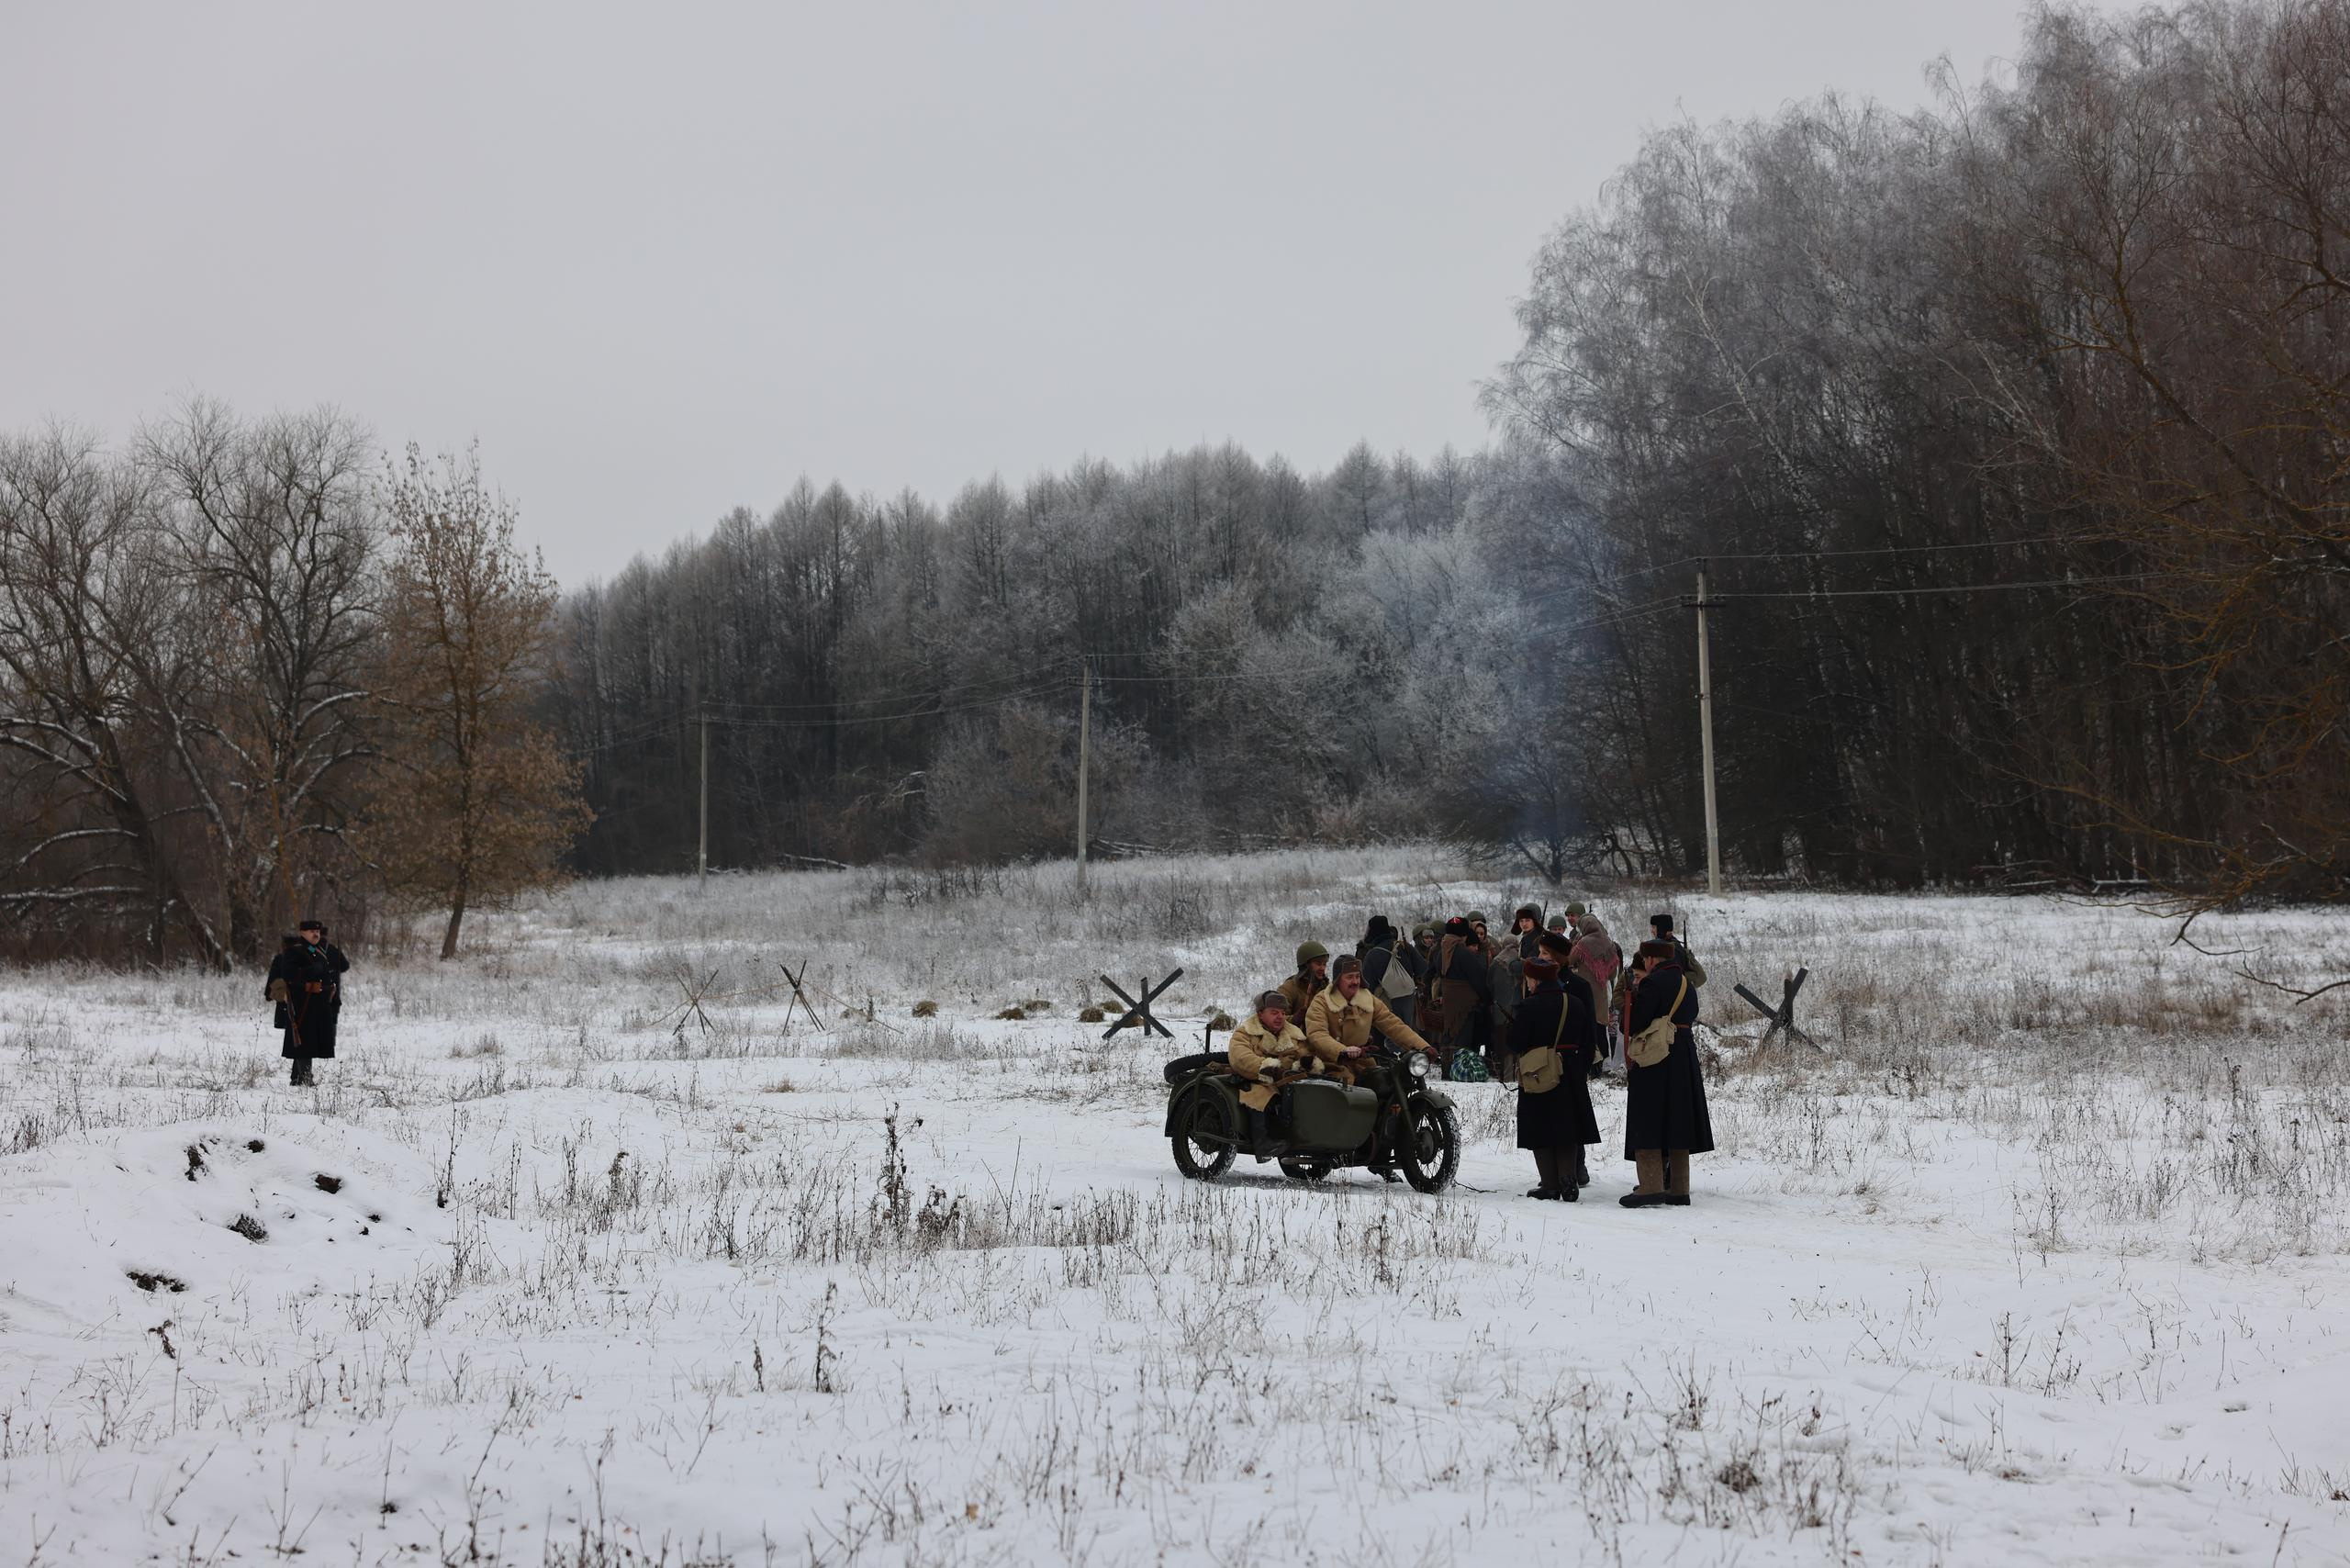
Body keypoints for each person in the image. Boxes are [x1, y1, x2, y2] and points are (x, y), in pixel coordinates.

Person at [1305, 955, 1431, 1178]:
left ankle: (1382, 1154)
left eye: (1357, 976)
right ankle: (1338, 1146)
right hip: (1330, 1062)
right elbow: (1316, 1035)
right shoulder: (1322, 1001)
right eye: (1348, 977)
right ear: (1337, 980)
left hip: (1362, 1060)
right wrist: (1341, 1050)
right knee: (1349, 1092)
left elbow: (1393, 1025)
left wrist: (1422, 1047)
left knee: (1388, 1087)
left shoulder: (1368, 1000)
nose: (1354, 981)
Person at [1620, 937, 1711, 1208]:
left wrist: (1632, 1001)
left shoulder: (1652, 983)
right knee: (1677, 1119)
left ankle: (1650, 1186)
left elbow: (1636, 1022)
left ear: (1650, 959)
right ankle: (1679, 1189)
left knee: (1647, 1117)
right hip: (1683, 1056)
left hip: (1656, 1057)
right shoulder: (1686, 984)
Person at [1509, 955, 1600, 1199]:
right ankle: (1568, 1177)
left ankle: (1550, 1184)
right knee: (1566, 1126)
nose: (1527, 984)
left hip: (1538, 1072)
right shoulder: (1575, 1003)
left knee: (1539, 1126)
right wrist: (1578, 1068)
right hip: (1570, 1070)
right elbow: (1589, 1040)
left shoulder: (1529, 1006)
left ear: (1535, 980)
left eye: (1528, 979)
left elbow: (1515, 1042)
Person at [1226, 991, 1313, 1159]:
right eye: (1274, 1012)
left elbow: (1304, 1054)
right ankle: (1262, 1143)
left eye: (1282, 1013)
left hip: (1287, 1078)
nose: (1280, 1017)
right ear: (1260, 1014)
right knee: (1261, 1094)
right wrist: (1268, 1067)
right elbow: (1241, 1057)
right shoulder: (1245, 1033)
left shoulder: (1293, 1035)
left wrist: (1306, 1064)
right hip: (1254, 1079)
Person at [267, 918, 350, 1087]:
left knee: (309, 1040)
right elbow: (288, 975)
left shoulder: (318, 950)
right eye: (312, 931)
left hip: (318, 1002)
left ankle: (297, 1077)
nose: (316, 934)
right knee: (303, 1040)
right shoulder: (294, 952)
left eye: (318, 932)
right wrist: (311, 971)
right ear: (303, 933)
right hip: (301, 1002)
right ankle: (305, 1078)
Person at [1425, 917, 1494, 1079]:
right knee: (1463, 1036)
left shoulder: (1440, 950)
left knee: (1449, 1034)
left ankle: (1446, 1071)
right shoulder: (1463, 952)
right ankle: (1459, 1073)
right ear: (1463, 934)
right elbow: (1477, 978)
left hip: (1448, 999)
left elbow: (1429, 974)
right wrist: (1487, 999)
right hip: (1465, 1002)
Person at [1358, 915, 1424, 1029]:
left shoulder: (1372, 955)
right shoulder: (1404, 946)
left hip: (1386, 1003)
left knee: (1391, 1037)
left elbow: (1367, 986)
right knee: (1409, 1034)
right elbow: (1422, 968)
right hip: (1408, 999)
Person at [1648, 913, 1707, 988]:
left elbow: (1673, 978)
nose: (1652, 931)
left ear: (1661, 929)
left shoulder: (1673, 951)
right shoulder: (1669, 947)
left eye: (1654, 927)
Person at [1278, 941, 1331, 1023]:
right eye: (1318, 964)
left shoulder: (1327, 988)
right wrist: (1294, 1019)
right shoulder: (1289, 988)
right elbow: (1275, 1019)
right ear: (1306, 965)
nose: (1322, 968)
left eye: (1324, 964)